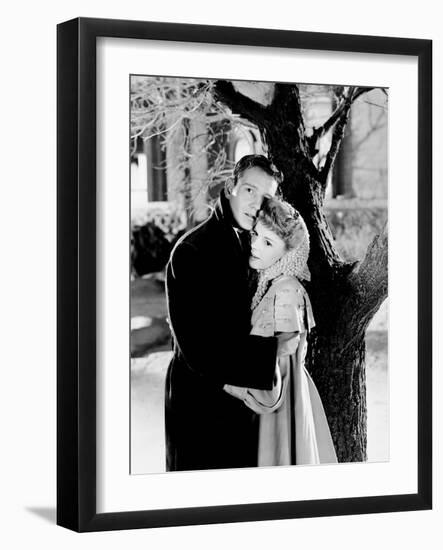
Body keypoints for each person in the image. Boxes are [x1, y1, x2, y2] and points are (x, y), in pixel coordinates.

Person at [165, 154, 291, 471]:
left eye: (266, 197)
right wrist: (274, 351)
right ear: (231, 186)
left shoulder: (259, 248)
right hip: (200, 408)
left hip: (245, 406)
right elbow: (197, 348)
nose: (256, 204)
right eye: (249, 190)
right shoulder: (191, 251)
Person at [224, 197, 337, 466]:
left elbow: (280, 366)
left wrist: (227, 384)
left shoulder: (285, 290)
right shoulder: (271, 284)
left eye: (267, 242)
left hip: (279, 408)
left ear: (288, 253)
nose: (254, 245)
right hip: (278, 398)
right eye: (256, 235)